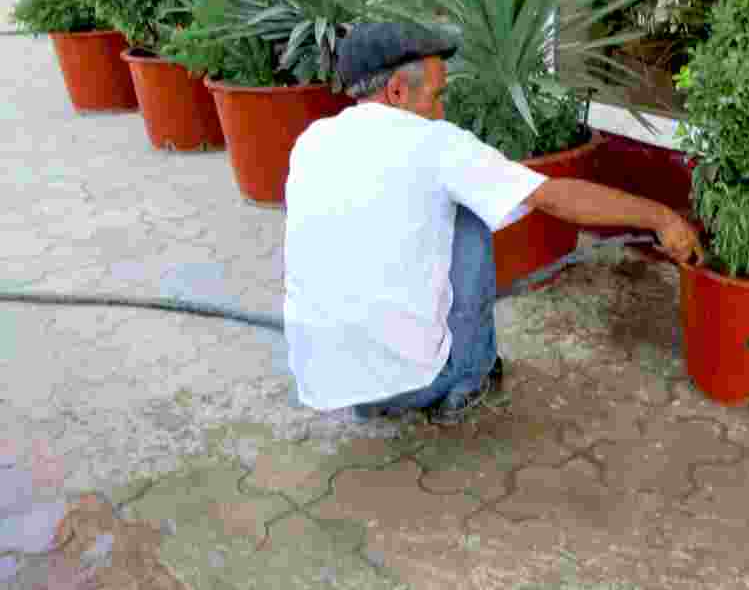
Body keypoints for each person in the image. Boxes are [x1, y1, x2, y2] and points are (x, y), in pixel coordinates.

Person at [283, 23, 704, 426]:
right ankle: (468, 376)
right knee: (471, 212)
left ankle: (378, 387)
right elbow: (553, 197)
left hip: (327, 382)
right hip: (411, 382)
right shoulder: (435, 143)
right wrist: (662, 217)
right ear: (396, 91)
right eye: (436, 96)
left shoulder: (311, 141)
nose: (442, 110)